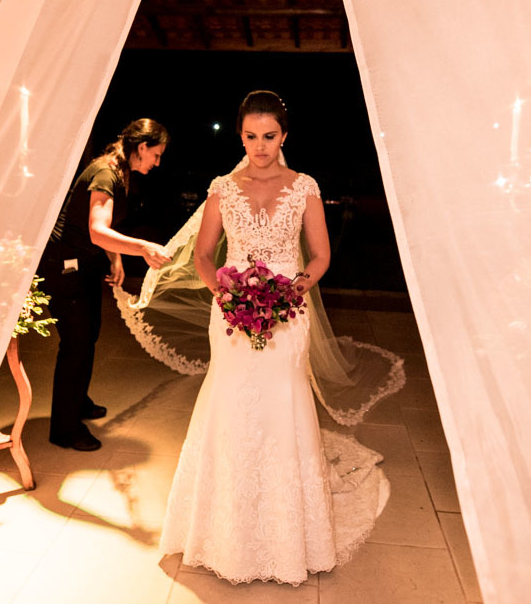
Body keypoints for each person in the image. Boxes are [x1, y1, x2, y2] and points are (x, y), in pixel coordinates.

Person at [157, 91, 390, 584]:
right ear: (240, 135)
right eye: (250, 136)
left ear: (284, 136)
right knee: (230, 402)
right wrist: (225, 294)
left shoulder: (304, 186)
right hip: (232, 312)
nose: (259, 146)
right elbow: (203, 255)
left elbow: (321, 255)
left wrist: (294, 288)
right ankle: (223, 525)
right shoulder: (222, 186)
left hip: (287, 311)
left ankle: (287, 533)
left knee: (282, 402)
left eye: (268, 136)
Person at [39, 118, 172, 451]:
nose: (157, 163)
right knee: (76, 342)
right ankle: (64, 429)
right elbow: (98, 230)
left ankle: (77, 402)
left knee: (90, 333)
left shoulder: (118, 169)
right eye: (156, 155)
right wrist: (141, 248)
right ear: (141, 148)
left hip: (83, 264)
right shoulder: (105, 173)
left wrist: (116, 259)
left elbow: (103, 232)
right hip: (64, 266)